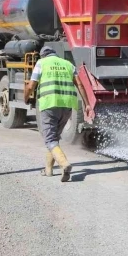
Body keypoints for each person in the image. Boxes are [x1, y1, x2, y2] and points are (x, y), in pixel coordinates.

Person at [24, 46, 79, 182]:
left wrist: (25, 98)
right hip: (67, 106)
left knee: (49, 139)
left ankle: (64, 164)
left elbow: (31, 86)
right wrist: (88, 104)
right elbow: (80, 85)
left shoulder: (41, 63)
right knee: (54, 138)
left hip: (49, 104)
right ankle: (48, 170)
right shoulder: (68, 64)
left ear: (43, 55)